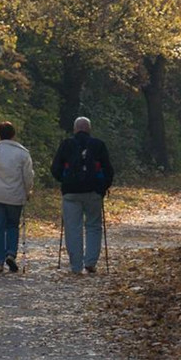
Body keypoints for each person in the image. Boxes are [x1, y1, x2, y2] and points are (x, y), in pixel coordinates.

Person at [51, 117, 114, 274]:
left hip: (71, 192)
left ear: (75, 129)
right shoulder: (98, 144)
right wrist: (102, 187)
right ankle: (90, 262)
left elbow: (55, 168)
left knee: (73, 228)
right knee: (93, 226)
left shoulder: (66, 144)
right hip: (93, 192)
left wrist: (64, 181)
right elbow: (108, 170)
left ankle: (76, 266)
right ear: (89, 129)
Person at [0, 121, 34, 273]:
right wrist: (28, 191)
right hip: (15, 196)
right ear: (13, 135)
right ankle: (11, 253)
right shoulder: (23, 153)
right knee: (12, 225)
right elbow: (28, 177)